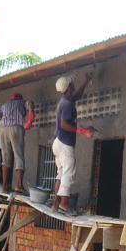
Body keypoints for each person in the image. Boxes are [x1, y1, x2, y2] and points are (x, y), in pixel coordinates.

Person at [52, 74, 94, 215]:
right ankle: (64, 204)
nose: (73, 85)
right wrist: (83, 131)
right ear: (69, 87)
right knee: (69, 173)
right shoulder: (68, 104)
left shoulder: (66, 100)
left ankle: (56, 203)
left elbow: (77, 96)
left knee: (61, 172)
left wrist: (86, 81)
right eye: (72, 84)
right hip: (65, 143)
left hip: (58, 142)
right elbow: (64, 124)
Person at [0, 92, 34, 193]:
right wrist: (30, 119)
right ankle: (19, 185)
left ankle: (4, 186)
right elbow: (30, 103)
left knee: (5, 158)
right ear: (19, 98)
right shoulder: (22, 102)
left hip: (3, 129)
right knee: (19, 156)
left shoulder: (4, 106)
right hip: (16, 128)